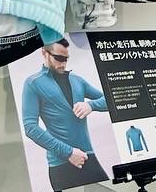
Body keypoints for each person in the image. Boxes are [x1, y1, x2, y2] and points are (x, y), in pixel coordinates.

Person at [21, 39, 110, 188]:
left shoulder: (77, 80)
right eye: (58, 58)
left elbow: (110, 100)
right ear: (44, 53)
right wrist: (68, 152)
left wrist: (91, 105)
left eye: (66, 59)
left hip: (88, 157)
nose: (63, 63)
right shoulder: (33, 83)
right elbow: (30, 128)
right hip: (61, 165)